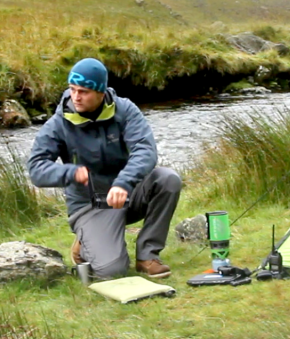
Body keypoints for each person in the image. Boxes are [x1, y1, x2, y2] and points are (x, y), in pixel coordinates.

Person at [27, 58, 181, 279]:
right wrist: (69, 172)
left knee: (168, 179)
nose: (76, 97)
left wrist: (123, 182)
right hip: (89, 205)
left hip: (125, 194)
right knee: (112, 271)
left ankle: (148, 256)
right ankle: (84, 243)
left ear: (101, 92)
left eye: (84, 92)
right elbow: (36, 169)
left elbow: (145, 150)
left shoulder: (125, 110)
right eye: (72, 90)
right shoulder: (58, 123)